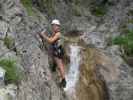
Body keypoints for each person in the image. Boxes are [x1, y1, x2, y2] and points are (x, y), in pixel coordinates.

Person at [39, 19, 66, 88]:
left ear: (58, 26)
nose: (53, 27)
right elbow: (52, 40)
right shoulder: (55, 33)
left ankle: (63, 81)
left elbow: (51, 41)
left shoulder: (58, 34)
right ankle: (54, 68)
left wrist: (43, 35)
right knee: (56, 61)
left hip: (58, 51)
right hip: (57, 50)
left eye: (54, 26)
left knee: (60, 65)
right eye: (53, 26)